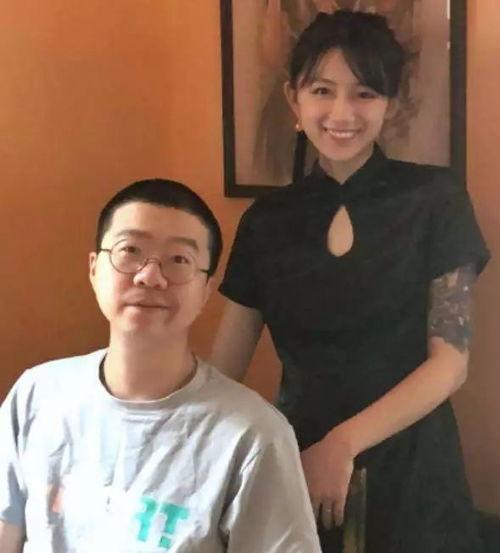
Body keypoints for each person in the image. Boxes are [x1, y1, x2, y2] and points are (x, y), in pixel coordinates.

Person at [212, 10, 490, 553]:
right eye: (322, 90)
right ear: (294, 100)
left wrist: (341, 444)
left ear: (391, 104)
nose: (342, 113)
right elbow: (224, 373)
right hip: (297, 461)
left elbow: (450, 364)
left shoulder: (436, 200)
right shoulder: (266, 222)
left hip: (414, 467)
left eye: (364, 93)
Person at [0, 179, 322, 553]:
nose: (150, 276)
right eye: (130, 250)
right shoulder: (37, 395)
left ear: (205, 290)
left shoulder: (253, 436)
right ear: (94, 269)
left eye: (179, 260)